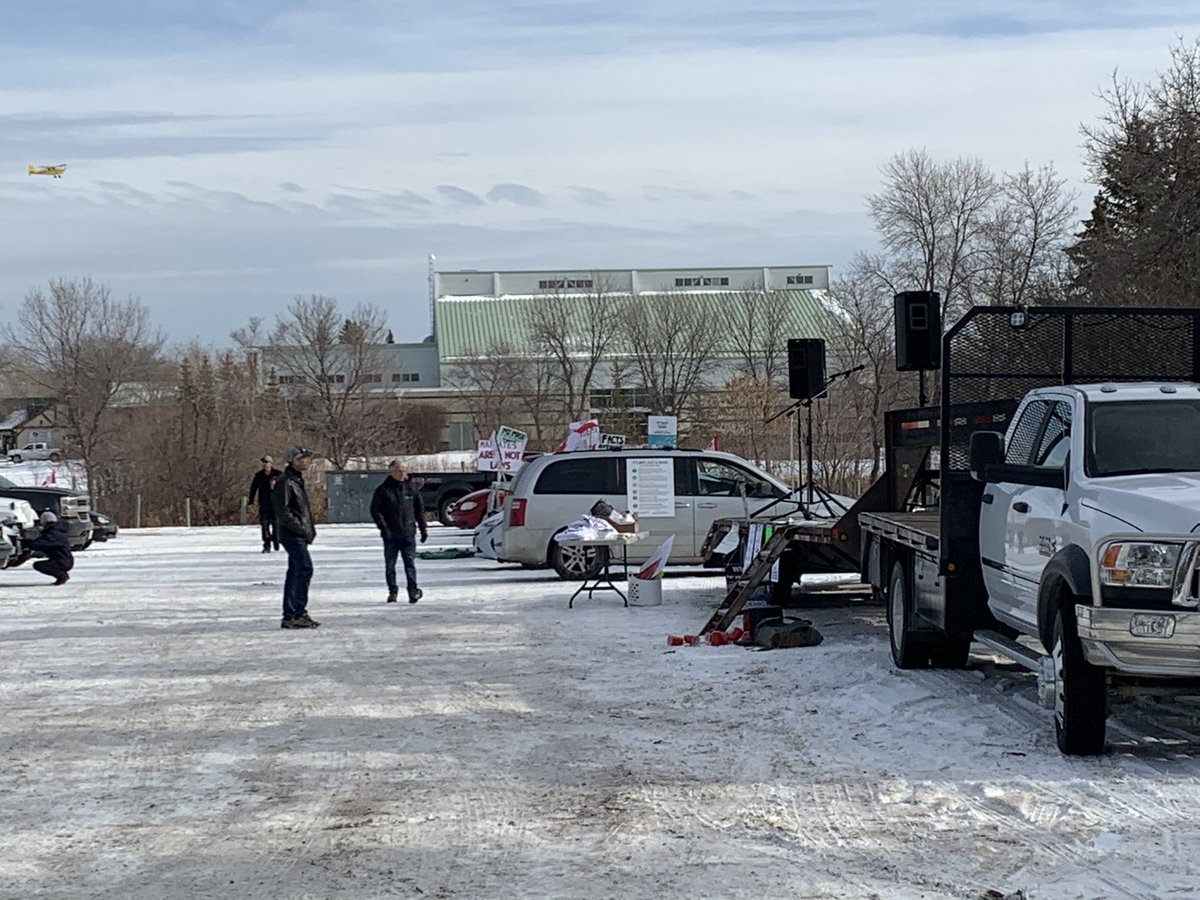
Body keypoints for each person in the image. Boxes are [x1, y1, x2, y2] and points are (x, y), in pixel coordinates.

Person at [272, 447, 319, 629]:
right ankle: (294, 613)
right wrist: (301, 529)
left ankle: (295, 613)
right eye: (303, 458)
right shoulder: (285, 482)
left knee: (296, 571)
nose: (307, 461)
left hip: (298, 533)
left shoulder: (297, 480)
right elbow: (283, 512)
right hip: (291, 534)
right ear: (294, 461)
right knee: (304, 569)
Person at [369, 459, 428, 603]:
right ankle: (393, 591)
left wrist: (423, 529)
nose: (402, 474)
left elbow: (419, 511)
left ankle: (413, 591)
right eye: (399, 471)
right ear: (392, 472)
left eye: (404, 471)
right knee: (390, 565)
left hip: (408, 533)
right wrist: (384, 528)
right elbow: (375, 511)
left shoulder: (411, 489)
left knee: (410, 563)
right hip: (391, 535)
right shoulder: (383, 490)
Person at [26, 510, 73, 585]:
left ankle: (61, 575)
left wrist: (24, 541)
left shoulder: (53, 534)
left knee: (39, 565)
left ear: (46, 522)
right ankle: (62, 574)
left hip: (62, 562)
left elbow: (39, 544)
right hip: (65, 560)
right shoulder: (56, 532)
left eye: (42, 523)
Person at [248, 455, 282, 552]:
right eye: (263, 462)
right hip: (264, 503)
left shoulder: (278, 474)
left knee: (276, 524)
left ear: (271, 463)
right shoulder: (258, 475)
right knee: (264, 524)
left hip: (276, 504)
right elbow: (253, 488)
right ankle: (266, 544)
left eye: (267, 462)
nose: (265, 464)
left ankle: (276, 539)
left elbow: (285, 487)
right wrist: (251, 501)